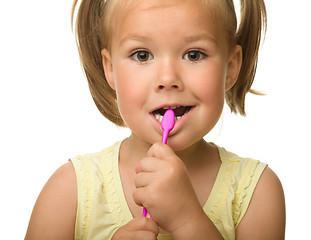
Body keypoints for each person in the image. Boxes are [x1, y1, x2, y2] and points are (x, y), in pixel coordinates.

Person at [25, 0, 286, 239]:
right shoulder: (68, 191)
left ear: (230, 67)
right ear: (110, 68)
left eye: (194, 55)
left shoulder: (257, 192)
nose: (168, 79)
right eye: (142, 55)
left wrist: (188, 220)